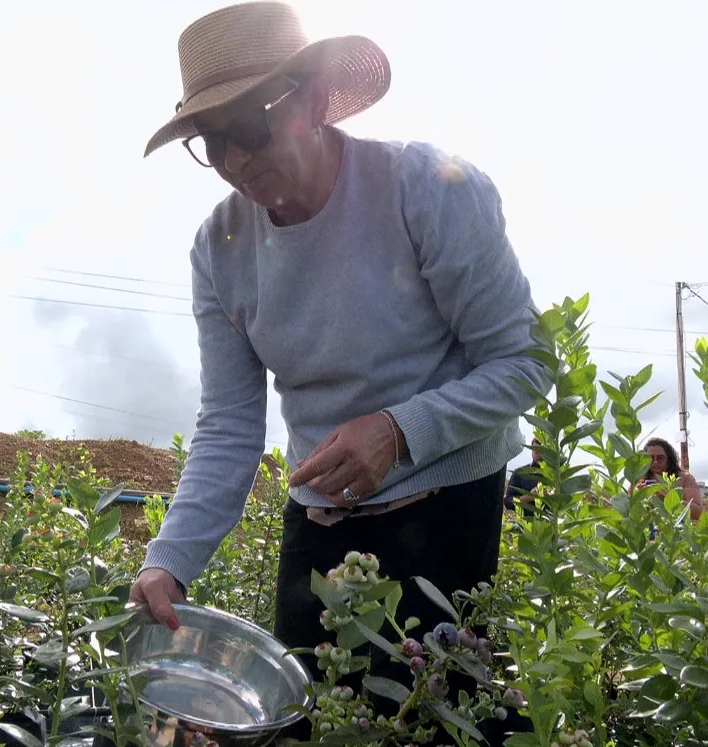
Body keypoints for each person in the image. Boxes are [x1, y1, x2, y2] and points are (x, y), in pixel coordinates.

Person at [128, 0, 550, 736]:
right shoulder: (219, 247)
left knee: (429, 718)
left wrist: (398, 428)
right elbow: (228, 425)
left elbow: (523, 362)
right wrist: (168, 560)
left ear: (315, 98)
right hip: (319, 520)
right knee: (301, 721)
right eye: (211, 141)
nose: (233, 161)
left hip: (447, 513)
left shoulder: (426, 190)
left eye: (249, 128)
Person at [639, 437, 703, 522]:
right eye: (651, 458)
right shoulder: (639, 479)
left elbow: (697, 512)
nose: (655, 462)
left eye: (660, 458)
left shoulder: (686, 478)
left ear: (669, 458)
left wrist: (666, 496)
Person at [504, 437, 542, 514]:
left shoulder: (555, 475)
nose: (539, 454)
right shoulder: (520, 473)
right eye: (536, 451)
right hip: (526, 524)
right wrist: (529, 497)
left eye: (542, 451)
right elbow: (508, 502)